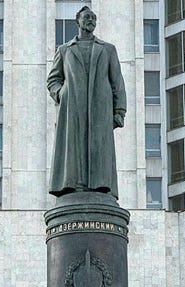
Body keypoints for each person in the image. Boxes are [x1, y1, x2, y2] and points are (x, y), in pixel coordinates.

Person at [46, 5, 126, 199]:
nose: (90, 20)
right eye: (86, 17)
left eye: (93, 18)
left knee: (99, 147)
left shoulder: (107, 49)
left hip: (100, 109)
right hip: (72, 108)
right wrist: (61, 93)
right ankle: (73, 185)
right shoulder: (64, 50)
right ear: (78, 21)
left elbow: (117, 82)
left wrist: (119, 111)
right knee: (74, 147)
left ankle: (100, 185)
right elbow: (53, 80)